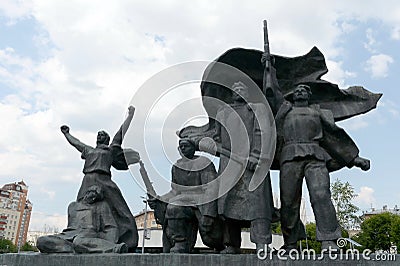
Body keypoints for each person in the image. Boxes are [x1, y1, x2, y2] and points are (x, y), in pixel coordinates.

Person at [275, 84, 370, 251]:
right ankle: (291, 243)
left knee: (321, 195)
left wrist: (353, 158)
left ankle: (329, 240)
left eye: (303, 90)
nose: (299, 91)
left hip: (315, 156)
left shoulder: (318, 112)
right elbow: (272, 91)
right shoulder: (285, 110)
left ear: (309, 95)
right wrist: (269, 68)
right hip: (290, 156)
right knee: (288, 201)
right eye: (296, 90)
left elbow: (333, 136)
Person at [60, 106, 140, 251]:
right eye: (98, 134)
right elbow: (76, 143)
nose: (99, 136)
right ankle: (79, 237)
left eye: (103, 135)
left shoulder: (110, 150)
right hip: (87, 180)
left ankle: (126, 239)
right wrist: (67, 134)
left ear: (107, 139)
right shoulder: (89, 150)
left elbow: (120, 133)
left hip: (104, 181)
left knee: (120, 209)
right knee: (81, 207)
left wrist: (130, 116)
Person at [213, 81, 275, 254]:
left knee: (258, 204)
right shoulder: (223, 112)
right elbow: (216, 136)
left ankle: (262, 243)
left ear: (248, 94)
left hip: (253, 163)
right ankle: (231, 244)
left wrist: (256, 155)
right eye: (235, 89)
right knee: (227, 205)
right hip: (229, 163)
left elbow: (262, 132)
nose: (239, 91)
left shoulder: (257, 108)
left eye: (242, 89)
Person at [148, 138, 223, 253]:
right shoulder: (176, 167)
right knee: (173, 208)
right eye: (180, 146)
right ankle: (180, 243)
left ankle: (222, 244)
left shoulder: (204, 163)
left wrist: (209, 213)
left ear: (193, 148)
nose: (182, 148)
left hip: (202, 202)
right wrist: (159, 199)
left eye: (186, 146)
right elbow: (174, 191)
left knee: (210, 238)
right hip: (183, 202)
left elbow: (212, 189)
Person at [37, 185, 128, 253]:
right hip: (68, 236)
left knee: (79, 242)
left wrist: (108, 240)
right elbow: (70, 226)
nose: (94, 197)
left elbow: (111, 227)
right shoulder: (73, 206)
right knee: (42, 241)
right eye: (94, 193)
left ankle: (113, 248)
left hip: (88, 236)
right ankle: (74, 248)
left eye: (97, 196)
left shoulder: (101, 206)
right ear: (87, 192)